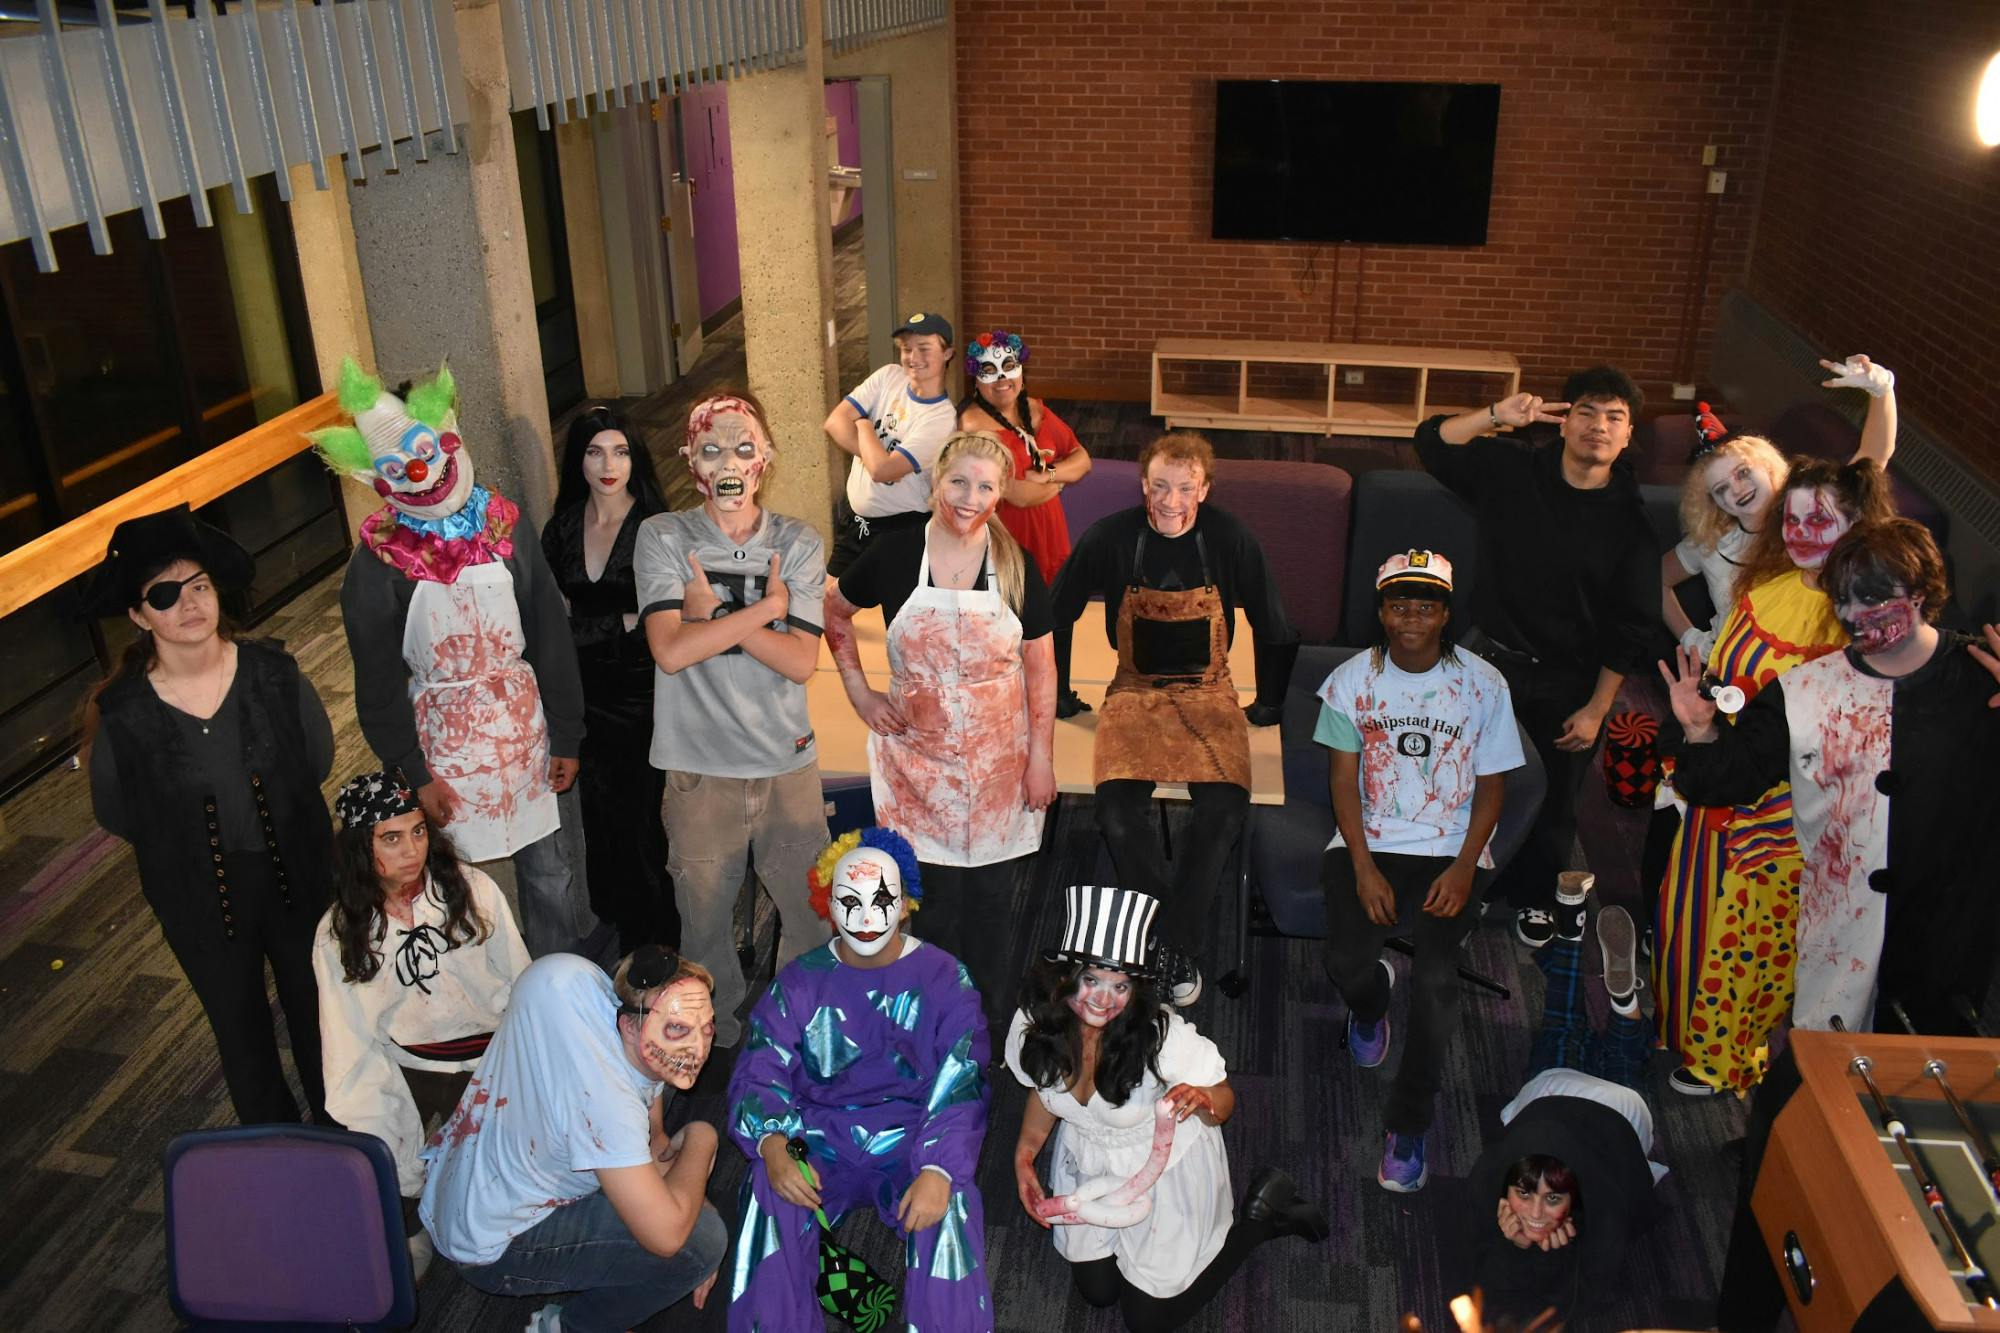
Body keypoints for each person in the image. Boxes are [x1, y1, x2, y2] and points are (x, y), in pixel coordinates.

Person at [1658, 522, 2000, 1328]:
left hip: (1946, 964)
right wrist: (1698, 728)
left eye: (1879, 595)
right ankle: (1744, 1310)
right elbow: (1725, 781)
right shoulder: (1807, 690)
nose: (1862, 616)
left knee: (1933, 1167)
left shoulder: (1976, 680)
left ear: (1923, 590)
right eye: (1847, 601)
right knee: (1786, 1139)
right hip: (1838, 957)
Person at [313, 359, 593, 958]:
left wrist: (566, 732)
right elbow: (379, 683)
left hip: (527, 735)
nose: (420, 473)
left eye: (426, 453)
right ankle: (485, 1012)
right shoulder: (376, 564)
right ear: (376, 477)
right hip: (445, 750)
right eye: (398, 467)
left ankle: (560, 988)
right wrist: (414, 772)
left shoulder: (505, 527)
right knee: (457, 890)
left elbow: (548, 633)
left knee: (549, 876)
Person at [83, 504, 334, 1125]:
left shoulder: (275, 674)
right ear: (140, 616)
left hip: (297, 879)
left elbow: (318, 759)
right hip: (196, 898)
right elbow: (118, 811)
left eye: (198, 586)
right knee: (241, 1035)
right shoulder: (124, 712)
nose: (189, 603)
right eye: (165, 595)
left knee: (323, 1020)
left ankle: (345, 1149)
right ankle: (276, 1156)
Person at [1651, 456, 1892, 1097]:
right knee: (1696, 912)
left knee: (1748, 937)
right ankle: (1689, 1034)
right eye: (1793, 516)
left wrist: (1882, 398)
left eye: (1823, 519)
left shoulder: (1856, 620)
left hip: (1783, 809)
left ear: (1859, 525)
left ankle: (1726, 1059)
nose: (1802, 530)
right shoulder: (1775, 583)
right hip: (1720, 776)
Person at [1413, 367, 1660, 951]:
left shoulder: (1630, 520)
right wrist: (1497, 417)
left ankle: (1531, 896)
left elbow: (1631, 627)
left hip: (1567, 678)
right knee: (1457, 781)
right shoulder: (1513, 469)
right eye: (1586, 413)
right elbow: (1431, 443)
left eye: (1614, 418)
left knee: (1554, 796)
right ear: (1563, 421)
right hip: (1486, 660)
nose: (1598, 427)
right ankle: (1457, 885)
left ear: (1628, 436)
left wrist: (1599, 708)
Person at [1049, 430, 1298, 1004]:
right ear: (1143, 485)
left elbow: (1276, 624)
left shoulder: (1233, 540)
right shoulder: (1110, 538)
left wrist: (1269, 705)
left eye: (1184, 488)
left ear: (1204, 489)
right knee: (1114, 813)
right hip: (1133, 691)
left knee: (1223, 813)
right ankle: (1173, 939)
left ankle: (1166, 944)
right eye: (1159, 486)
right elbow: (1053, 613)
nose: (1170, 500)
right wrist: (1059, 693)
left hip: (1211, 691)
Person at [1009, 883, 1326, 1332]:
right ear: (1065, 978)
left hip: (1162, 1172)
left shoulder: (1162, 1039)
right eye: (1091, 980)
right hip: (1088, 1159)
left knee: (1148, 1323)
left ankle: (1258, 1221)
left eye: (1120, 985)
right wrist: (1025, 1154)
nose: (1103, 999)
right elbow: (1043, 1094)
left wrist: (1202, 1102)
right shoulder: (1035, 1024)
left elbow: (1224, 1103)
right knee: (1098, 1294)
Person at [824, 431, 1058, 1033]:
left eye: (985, 486)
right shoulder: (897, 554)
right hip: (917, 770)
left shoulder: (1014, 565)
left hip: (999, 771)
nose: (968, 497)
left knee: (990, 914)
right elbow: (834, 609)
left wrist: (1042, 759)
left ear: (1001, 494)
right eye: (958, 481)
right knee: (929, 912)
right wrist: (858, 689)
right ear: (935, 484)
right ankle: (931, 1028)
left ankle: (985, 1030)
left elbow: (1040, 666)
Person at [725, 828, 993, 1331]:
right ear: (827, 903)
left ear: (907, 904)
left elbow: (963, 1079)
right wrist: (774, 1140)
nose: (867, 917)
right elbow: (762, 1063)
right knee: (768, 1188)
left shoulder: (946, 979)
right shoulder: (801, 979)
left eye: (882, 900)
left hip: (916, 1132)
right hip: (818, 1133)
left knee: (949, 1202)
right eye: (849, 900)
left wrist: (938, 1169)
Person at [1315, 550, 1525, 1191]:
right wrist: (1362, 866)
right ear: (1381, 612)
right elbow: (1343, 783)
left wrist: (1465, 867)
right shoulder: (1350, 681)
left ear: (1445, 614)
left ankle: (1408, 1127)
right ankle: (1371, 1003)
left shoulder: (1485, 684)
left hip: (1453, 849)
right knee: (1345, 962)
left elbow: (1493, 788)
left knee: (1437, 985)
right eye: (1399, 603)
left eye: (1426, 604)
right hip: (1371, 840)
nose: (1412, 616)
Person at [634, 391, 829, 1049]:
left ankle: (794, 1029)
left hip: (786, 763)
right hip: (699, 768)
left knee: (809, 914)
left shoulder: (798, 541)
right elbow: (670, 649)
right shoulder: (664, 535)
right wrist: (759, 611)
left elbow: (801, 660)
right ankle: (710, 1042)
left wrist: (710, 615)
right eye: (712, 447)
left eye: (743, 447)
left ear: (764, 459)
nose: (729, 461)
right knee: (704, 921)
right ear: (690, 459)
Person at [420, 944, 725, 1331]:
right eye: (678, 1029)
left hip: (458, 1189)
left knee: (689, 1215)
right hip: (495, 1244)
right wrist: (703, 1137)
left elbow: (655, 1144)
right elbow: (667, 1238)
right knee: (705, 1245)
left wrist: (695, 1198)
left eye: (707, 1027)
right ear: (629, 1025)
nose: (697, 1048)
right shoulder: (610, 1108)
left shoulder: (565, 976)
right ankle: (566, 1326)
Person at [312, 769, 531, 1244]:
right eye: (390, 839)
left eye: (417, 832)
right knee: (390, 1164)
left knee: (514, 1169)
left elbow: (521, 984)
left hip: (493, 1056)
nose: (411, 851)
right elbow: (351, 1044)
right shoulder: (338, 933)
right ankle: (414, 1226)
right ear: (359, 848)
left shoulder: (471, 890)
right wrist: (378, 1124)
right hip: (414, 1065)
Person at [1458, 903, 1665, 1328]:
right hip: (1554, 1092)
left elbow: (1576, 1302)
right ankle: (1572, 935)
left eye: (1550, 1197)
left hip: (1618, 1108)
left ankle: (1624, 1007)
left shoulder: (1601, 1218)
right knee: (1561, 1030)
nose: (1534, 1212)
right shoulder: (1488, 1189)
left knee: (1615, 1057)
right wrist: (1539, 1249)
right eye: (1538, 1196)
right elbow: (1581, 1308)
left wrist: (1522, 1249)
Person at [542, 405, 677, 955]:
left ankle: (660, 942)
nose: (608, 464)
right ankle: (621, 929)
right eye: (595, 451)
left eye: (620, 451)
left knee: (644, 827)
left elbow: (659, 627)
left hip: (645, 699)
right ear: (579, 459)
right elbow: (547, 623)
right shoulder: (564, 526)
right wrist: (615, 625)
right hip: (583, 700)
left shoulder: (654, 527)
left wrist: (585, 627)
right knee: (598, 824)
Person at [1662, 355, 1898, 659]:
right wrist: (1693, 639)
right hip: (1736, 674)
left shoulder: (1816, 518)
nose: (1737, 489)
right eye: (1720, 489)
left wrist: (1881, 390)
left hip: (1815, 669)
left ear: (1769, 467)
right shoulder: (1711, 542)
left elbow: (1873, 457)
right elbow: (1658, 579)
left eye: (1743, 473)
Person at [956, 329, 1095, 717]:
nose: (1002, 379)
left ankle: (1059, 693)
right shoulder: (974, 426)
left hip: (1051, 535)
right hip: (1008, 543)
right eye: (990, 371)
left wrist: (1049, 477)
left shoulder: (1036, 409)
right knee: (1011, 626)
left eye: (1009, 368)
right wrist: (1059, 482)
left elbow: (1083, 458)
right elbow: (1014, 494)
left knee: (1058, 616)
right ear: (975, 378)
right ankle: (1010, 700)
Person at [823, 311, 960, 577]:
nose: (913, 358)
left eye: (924, 348)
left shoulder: (942, 419)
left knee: (898, 617)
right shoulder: (888, 376)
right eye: (907, 349)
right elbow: (834, 422)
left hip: (900, 532)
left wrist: (862, 424)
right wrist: (875, 455)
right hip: (856, 524)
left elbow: (883, 471)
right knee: (829, 606)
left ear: (947, 353)